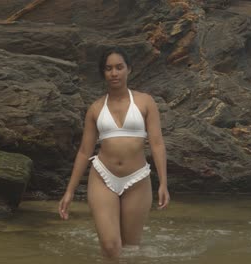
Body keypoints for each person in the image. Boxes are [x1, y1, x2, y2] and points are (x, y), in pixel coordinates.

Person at [58, 46, 170, 259]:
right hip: (103, 177)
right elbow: (84, 151)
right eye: (109, 68)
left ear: (129, 69)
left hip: (137, 179)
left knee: (130, 249)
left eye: (119, 67)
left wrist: (163, 183)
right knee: (110, 246)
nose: (114, 73)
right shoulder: (95, 108)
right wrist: (70, 191)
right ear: (103, 73)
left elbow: (157, 143)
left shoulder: (145, 102)